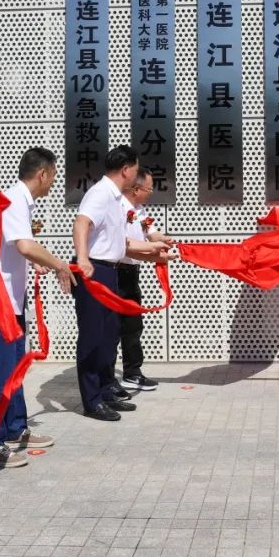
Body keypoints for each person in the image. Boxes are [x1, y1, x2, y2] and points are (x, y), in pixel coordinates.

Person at [0, 147, 77, 468]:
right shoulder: (15, 199)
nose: (53, 183)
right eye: (53, 176)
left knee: (14, 367)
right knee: (1, 371)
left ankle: (16, 430)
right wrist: (58, 265)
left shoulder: (20, 202)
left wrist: (36, 265)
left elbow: (17, 249)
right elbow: (25, 246)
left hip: (8, 299)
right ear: (42, 174)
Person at [73, 146, 173, 422]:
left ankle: (105, 390)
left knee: (108, 336)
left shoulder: (118, 199)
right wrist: (82, 258)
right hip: (94, 270)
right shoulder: (101, 193)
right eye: (135, 168)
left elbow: (125, 244)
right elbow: (81, 223)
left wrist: (157, 249)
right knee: (93, 336)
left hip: (110, 270)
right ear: (126, 169)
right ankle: (91, 400)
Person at [112, 167, 174, 393]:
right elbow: (124, 244)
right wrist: (155, 250)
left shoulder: (138, 210)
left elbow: (152, 232)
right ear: (136, 188)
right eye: (149, 188)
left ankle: (132, 372)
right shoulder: (117, 208)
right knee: (112, 328)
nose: (151, 192)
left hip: (131, 274)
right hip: (115, 272)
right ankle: (108, 379)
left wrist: (164, 240)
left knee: (133, 326)